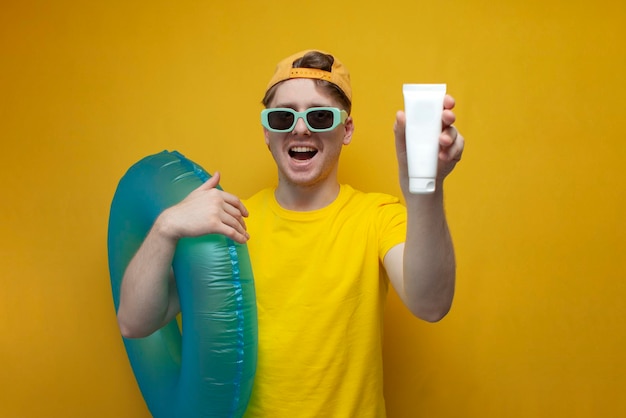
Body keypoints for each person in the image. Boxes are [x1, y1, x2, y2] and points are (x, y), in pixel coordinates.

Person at [117, 49, 464, 417]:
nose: (301, 128)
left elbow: (431, 304)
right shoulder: (233, 225)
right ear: (267, 132)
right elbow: (135, 322)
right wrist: (166, 228)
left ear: (345, 130)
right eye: (284, 116)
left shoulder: (376, 216)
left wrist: (426, 188)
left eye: (319, 115)